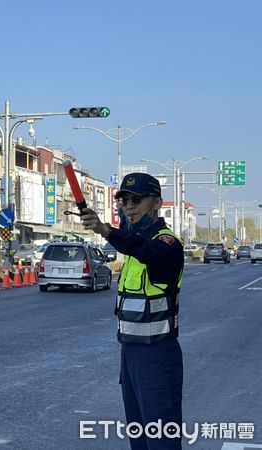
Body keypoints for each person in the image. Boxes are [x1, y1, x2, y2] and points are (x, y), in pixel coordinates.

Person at [80, 172, 184, 449]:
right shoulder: (133, 246)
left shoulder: (167, 244)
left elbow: (145, 249)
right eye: (123, 201)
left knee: (162, 438)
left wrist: (106, 230)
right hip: (131, 354)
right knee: (138, 438)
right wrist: (110, 229)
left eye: (136, 200)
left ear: (157, 203)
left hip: (158, 357)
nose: (128, 206)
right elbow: (134, 243)